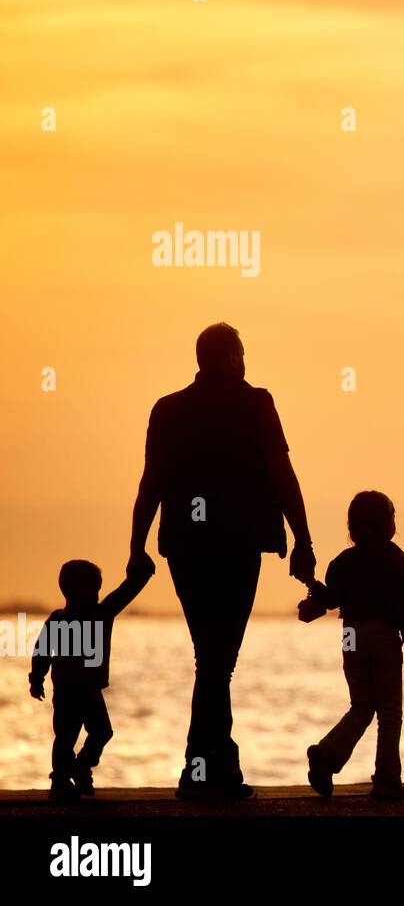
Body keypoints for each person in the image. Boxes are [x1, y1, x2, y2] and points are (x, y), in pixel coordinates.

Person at [127, 323, 316, 799]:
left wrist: (137, 546)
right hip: (237, 544)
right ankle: (205, 772)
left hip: (185, 546)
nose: (245, 362)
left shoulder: (168, 409)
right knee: (217, 659)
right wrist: (303, 539)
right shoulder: (256, 403)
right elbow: (282, 473)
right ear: (231, 357)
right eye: (242, 354)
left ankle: (215, 767)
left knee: (211, 657)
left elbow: (152, 481)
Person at [304, 491, 404, 801]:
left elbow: (331, 598)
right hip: (383, 634)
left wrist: (312, 586)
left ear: (352, 527)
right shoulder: (398, 562)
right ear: (388, 525)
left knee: (361, 706)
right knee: (389, 713)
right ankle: (387, 780)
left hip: (351, 634)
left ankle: (328, 754)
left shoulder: (342, 563)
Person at [29, 557, 155, 800]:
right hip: (84, 690)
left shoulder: (57, 619)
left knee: (66, 737)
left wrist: (37, 678)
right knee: (99, 732)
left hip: (65, 690)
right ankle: (77, 769)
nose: (98, 595)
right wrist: (142, 576)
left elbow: (41, 652)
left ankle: (65, 777)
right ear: (78, 590)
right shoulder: (99, 614)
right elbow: (124, 594)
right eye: (94, 589)